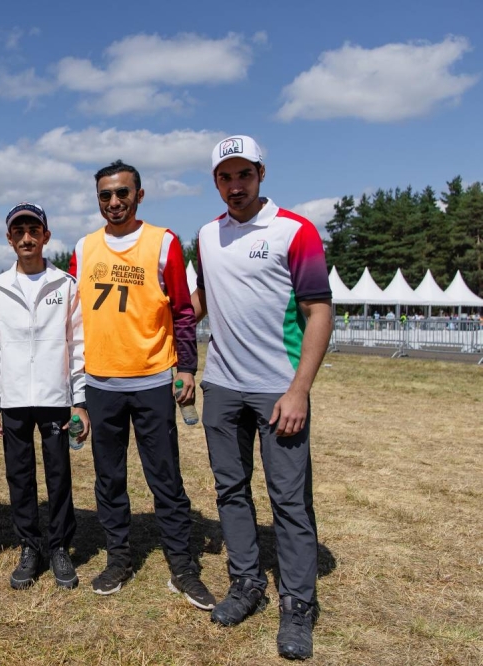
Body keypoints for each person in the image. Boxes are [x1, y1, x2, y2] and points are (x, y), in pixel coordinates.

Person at [193, 135, 332, 660]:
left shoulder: (294, 231)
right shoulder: (207, 235)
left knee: (289, 501)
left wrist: (299, 390)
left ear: (261, 174)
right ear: (216, 182)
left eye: (243, 175)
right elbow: (202, 299)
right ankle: (246, 582)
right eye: (225, 177)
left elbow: (320, 312)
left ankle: (298, 605)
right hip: (222, 386)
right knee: (230, 490)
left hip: (279, 389)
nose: (235, 185)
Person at [69, 160, 214, 610]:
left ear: (139, 195)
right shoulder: (84, 246)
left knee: (165, 478)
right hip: (100, 383)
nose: (114, 202)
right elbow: (71, 320)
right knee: (109, 479)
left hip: (152, 380)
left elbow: (184, 311)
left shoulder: (163, 242)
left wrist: (186, 367)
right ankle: (118, 558)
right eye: (106, 195)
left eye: (122, 194)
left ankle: (183, 565)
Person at [0, 202, 88, 590]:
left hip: (54, 396)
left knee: (59, 475)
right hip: (12, 398)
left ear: (46, 235)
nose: (27, 237)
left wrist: (79, 400)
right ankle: (30, 545)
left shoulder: (65, 284)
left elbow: (77, 344)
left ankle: (59, 546)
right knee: (19, 477)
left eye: (33, 230)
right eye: (18, 231)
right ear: (10, 239)